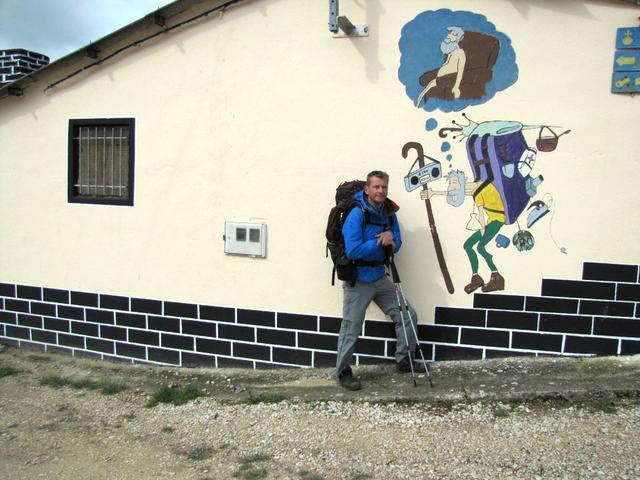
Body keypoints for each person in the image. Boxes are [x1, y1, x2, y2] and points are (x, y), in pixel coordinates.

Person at [334, 170, 418, 391]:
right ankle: (343, 371)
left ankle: (404, 360)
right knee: (351, 327)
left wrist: (392, 240)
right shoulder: (356, 214)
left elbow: (397, 243)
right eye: (376, 187)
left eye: (384, 187)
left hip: (380, 276)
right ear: (367, 189)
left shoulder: (389, 212)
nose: (380, 191)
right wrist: (379, 242)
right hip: (358, 279)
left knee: (407, 315)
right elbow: (353, 251)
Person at [423, 171, 505, 294]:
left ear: (462, 181)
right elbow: (457, 192)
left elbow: (481, 215)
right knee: (468, 245)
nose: (451, 186)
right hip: (492, 221)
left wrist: (482, 231)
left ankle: (497, 277)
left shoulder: (479, 191)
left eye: (454, 182)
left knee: (480, 247)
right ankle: (476, 277)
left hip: (497, 221)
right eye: (451, 183)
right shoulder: (477, 187)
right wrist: (434, 193)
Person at [415, 26, 467, 107]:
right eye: (450, 33)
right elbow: (446, 63)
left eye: (454, 34)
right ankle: (417, 104)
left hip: (446, 78)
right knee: (423, 91)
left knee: (426, 90)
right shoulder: (451, 51)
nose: (450, 35)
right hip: (440, 77)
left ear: (458, 38)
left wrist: (456, 86)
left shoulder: (460, 53)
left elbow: (460, 71)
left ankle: (418, 104)